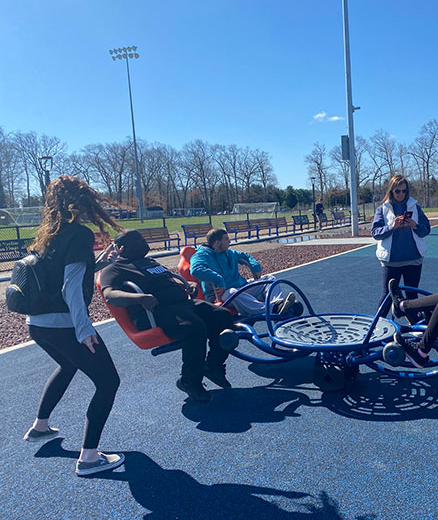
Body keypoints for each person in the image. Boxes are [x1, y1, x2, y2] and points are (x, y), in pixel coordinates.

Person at [22, 175, 124, 476]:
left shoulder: (48, 235)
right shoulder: (79, 235)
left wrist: (99, 263)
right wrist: (84, 330)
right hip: (64, 324)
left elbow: (62, 277)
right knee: (108, 383)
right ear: (81, 202)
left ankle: (40, 427)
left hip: (37, 324)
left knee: (68, 366)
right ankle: (89, 458)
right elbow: (70, 288)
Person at [100, 230, 235, 403]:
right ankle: (189, 381)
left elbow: (169, 279)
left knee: (223, 316)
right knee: (194, 327)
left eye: (142, 236)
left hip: (184, 304)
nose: (143, 240)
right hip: (159, 311)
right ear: (122, 248)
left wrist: (189, 285)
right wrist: (139, 298)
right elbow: (110, 294)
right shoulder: (114, 269)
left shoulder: (149, 261)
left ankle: (213, 366)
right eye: (137, 239)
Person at [189, 227, 301, 316]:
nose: (230, 241)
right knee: (233, 292)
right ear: (218, 243)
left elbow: (246, 257)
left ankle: (279, 304)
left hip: (241, 288)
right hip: (222, 294)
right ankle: (273, 308)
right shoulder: (202, 255)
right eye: (226, 239)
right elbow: (195, 270)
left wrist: (255, 266)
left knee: (269, 279)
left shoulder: (229, 253)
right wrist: (219, 281)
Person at [372, 175, 431, 307]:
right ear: (391, 191)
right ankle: (377, 325)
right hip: (391, 261)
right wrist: (392, 227)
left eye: (404, 191)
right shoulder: (382, 208)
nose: (401, 194)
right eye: (397, 191)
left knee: (412, 295)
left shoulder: (415, 207)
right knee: (387, 294)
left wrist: (414, 225)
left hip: (413, 259)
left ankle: (414, 324)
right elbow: (375, 233)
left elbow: (426, 229)